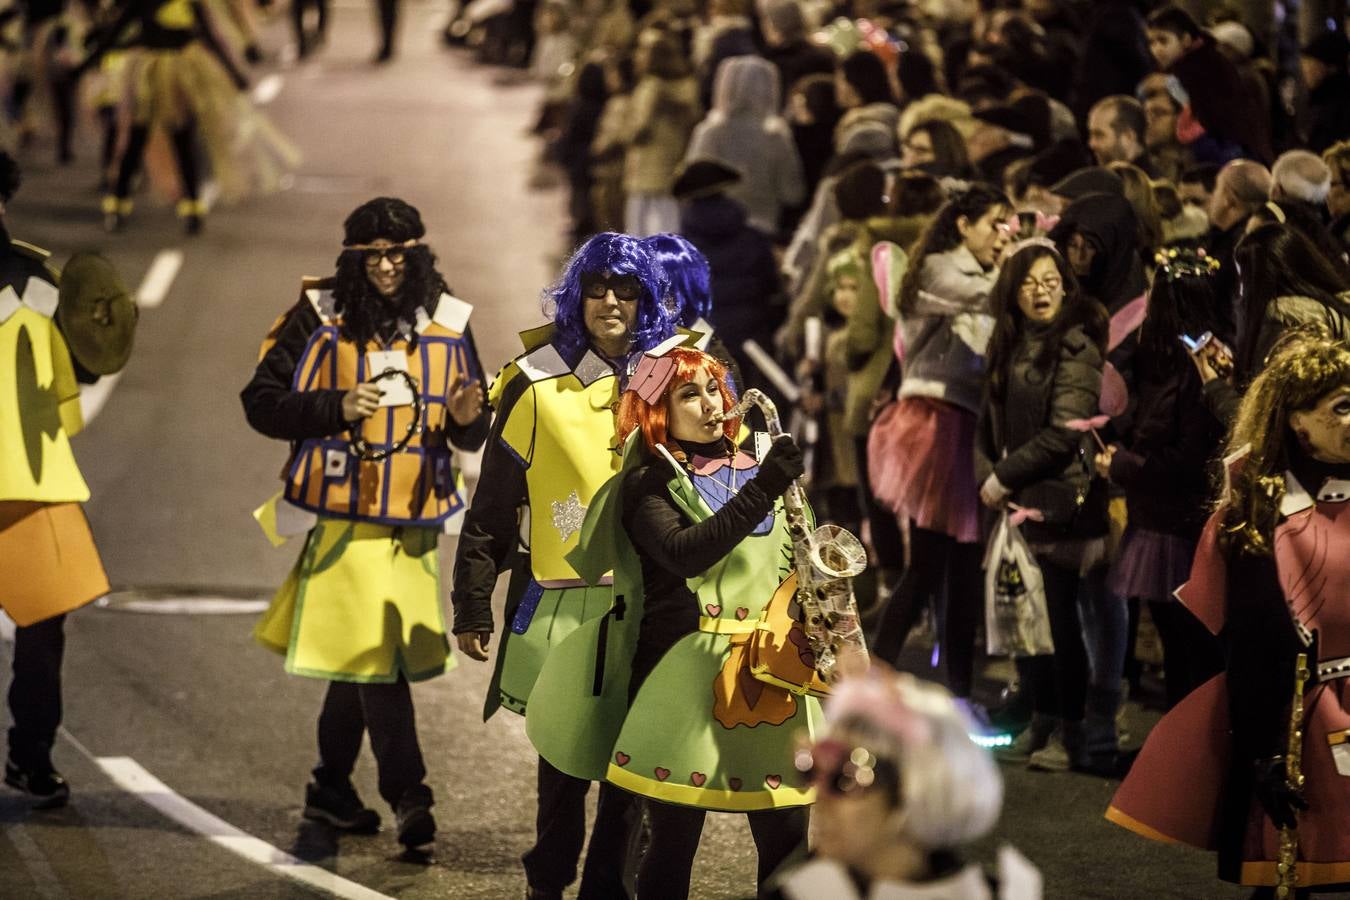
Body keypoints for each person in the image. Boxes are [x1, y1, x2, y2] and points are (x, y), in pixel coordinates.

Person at [241, 198, 490, 849]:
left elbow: (472, 431)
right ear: (354, 258)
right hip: (345, 524)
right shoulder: (319, 315)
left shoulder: (449, 318)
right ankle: (411, 795)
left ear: (418, 255)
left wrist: (468, 417)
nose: (384, 266)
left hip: (414, 524)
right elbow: (261, 404)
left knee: (361, 661)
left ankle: (329, 787)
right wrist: (335, 406)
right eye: (372, 255)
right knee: (382, 659)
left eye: (397, 254)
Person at [451, 232, 677, 899]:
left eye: (627, 291)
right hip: (564, 602)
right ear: (576, 296)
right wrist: (471, 603)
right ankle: (547, 880)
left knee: (631, 767)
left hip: (657, 601)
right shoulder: (535, 378)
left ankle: (606, 887)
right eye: (599, 289)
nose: (611, 303)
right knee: (565, 758)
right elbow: (492, 505)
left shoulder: (673, 374)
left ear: (646, 299)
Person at [563, 346, 819, 899]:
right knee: (674, 843)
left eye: (713, 389)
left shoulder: (760, 461)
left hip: (771, 672)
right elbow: (686, 553)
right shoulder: (646, 482)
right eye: (688, 395)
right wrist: (765, 486)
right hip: (683, 680)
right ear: (657, 410)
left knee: (789, 837)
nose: (709, 405)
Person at [1108, 328, 1350, 896]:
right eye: (1341, 407)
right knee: (1295, 873)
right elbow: (1250, 647)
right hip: (1300, 719)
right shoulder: (1258, 512)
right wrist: (1262, 753)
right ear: (1297, 419)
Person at [0, 152, 132, 809]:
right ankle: (30, 758)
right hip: (35, 482)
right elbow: (77, 377)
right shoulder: (39, 282)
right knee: (42, 633)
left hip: (34, 488)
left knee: (43, 632)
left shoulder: (38, 279)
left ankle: (32, 757)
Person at [868, 185, 1014, 708]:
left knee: (959, 566)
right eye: (997, 223)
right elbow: (992, 297)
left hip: (963, 426)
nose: (1004, 236)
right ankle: (873, 676)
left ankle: (955, 691)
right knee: (931, 563)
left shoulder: (981, 273)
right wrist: (1027, 260)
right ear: (963, 225)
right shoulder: (939, 270)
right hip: (934, 423)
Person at [977, 239, 1109, 772]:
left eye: (1051, 279)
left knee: (1057, 619)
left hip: (1059, 502)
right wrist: (991, 471)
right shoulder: (1008, 342)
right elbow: (990, 422)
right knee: (1025, 614)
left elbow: (1066, 431)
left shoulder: (1076, 345)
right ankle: (1040, 719)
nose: (1042, 291)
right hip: (1018, 499)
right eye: (1030, 281)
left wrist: (1004, 476)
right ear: (1012, 290)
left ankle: (1071, 732)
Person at [765, 668, 1042, 900]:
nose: (819, 795)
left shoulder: (1006, 893)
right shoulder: (801, 891)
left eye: (846, 778)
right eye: (810, 767)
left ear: (916, 789)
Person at [1094, 248, 1225, 720]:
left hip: (1179, 527)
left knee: (1190, 649)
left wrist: (1123, 465)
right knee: (1180, 646)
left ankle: (1188, 761)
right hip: (1166, 519)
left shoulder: (1195, 373)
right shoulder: (1177, 362)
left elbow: (1187, 460)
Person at [75, 0, 297, 233]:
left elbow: (209, 38)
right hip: (149, 76)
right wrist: (83, 66)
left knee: (182, 141)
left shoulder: (191, 3)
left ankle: (192, 208)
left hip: (180, 75)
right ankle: (118, 206)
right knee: (136, 141)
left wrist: (234, 73)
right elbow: (115, 34)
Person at [1194, 224, 1350, 428]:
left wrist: (1215, 387)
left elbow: (1267, 427)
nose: (1240, 293)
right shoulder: (1335, 307)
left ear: (1258, 282)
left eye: (1243, 280)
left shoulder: (1286, 327)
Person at [684, 55, 805, 238]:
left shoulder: (709, 133)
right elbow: (792, 194)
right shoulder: (776, 136)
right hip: (762, 232)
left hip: (711, 234)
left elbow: (690, 186)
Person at [623, 28, 701, 236]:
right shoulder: (688, 86)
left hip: (645, 170)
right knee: (669, 230)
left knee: (639, 232)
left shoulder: (650, 88)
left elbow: (636, 130)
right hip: (672, 169)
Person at [1086, 95, 1154, 175]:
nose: (1091, 144)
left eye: (1099, 135)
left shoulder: (1151, 185)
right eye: (1091, 135)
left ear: (1128, 136)